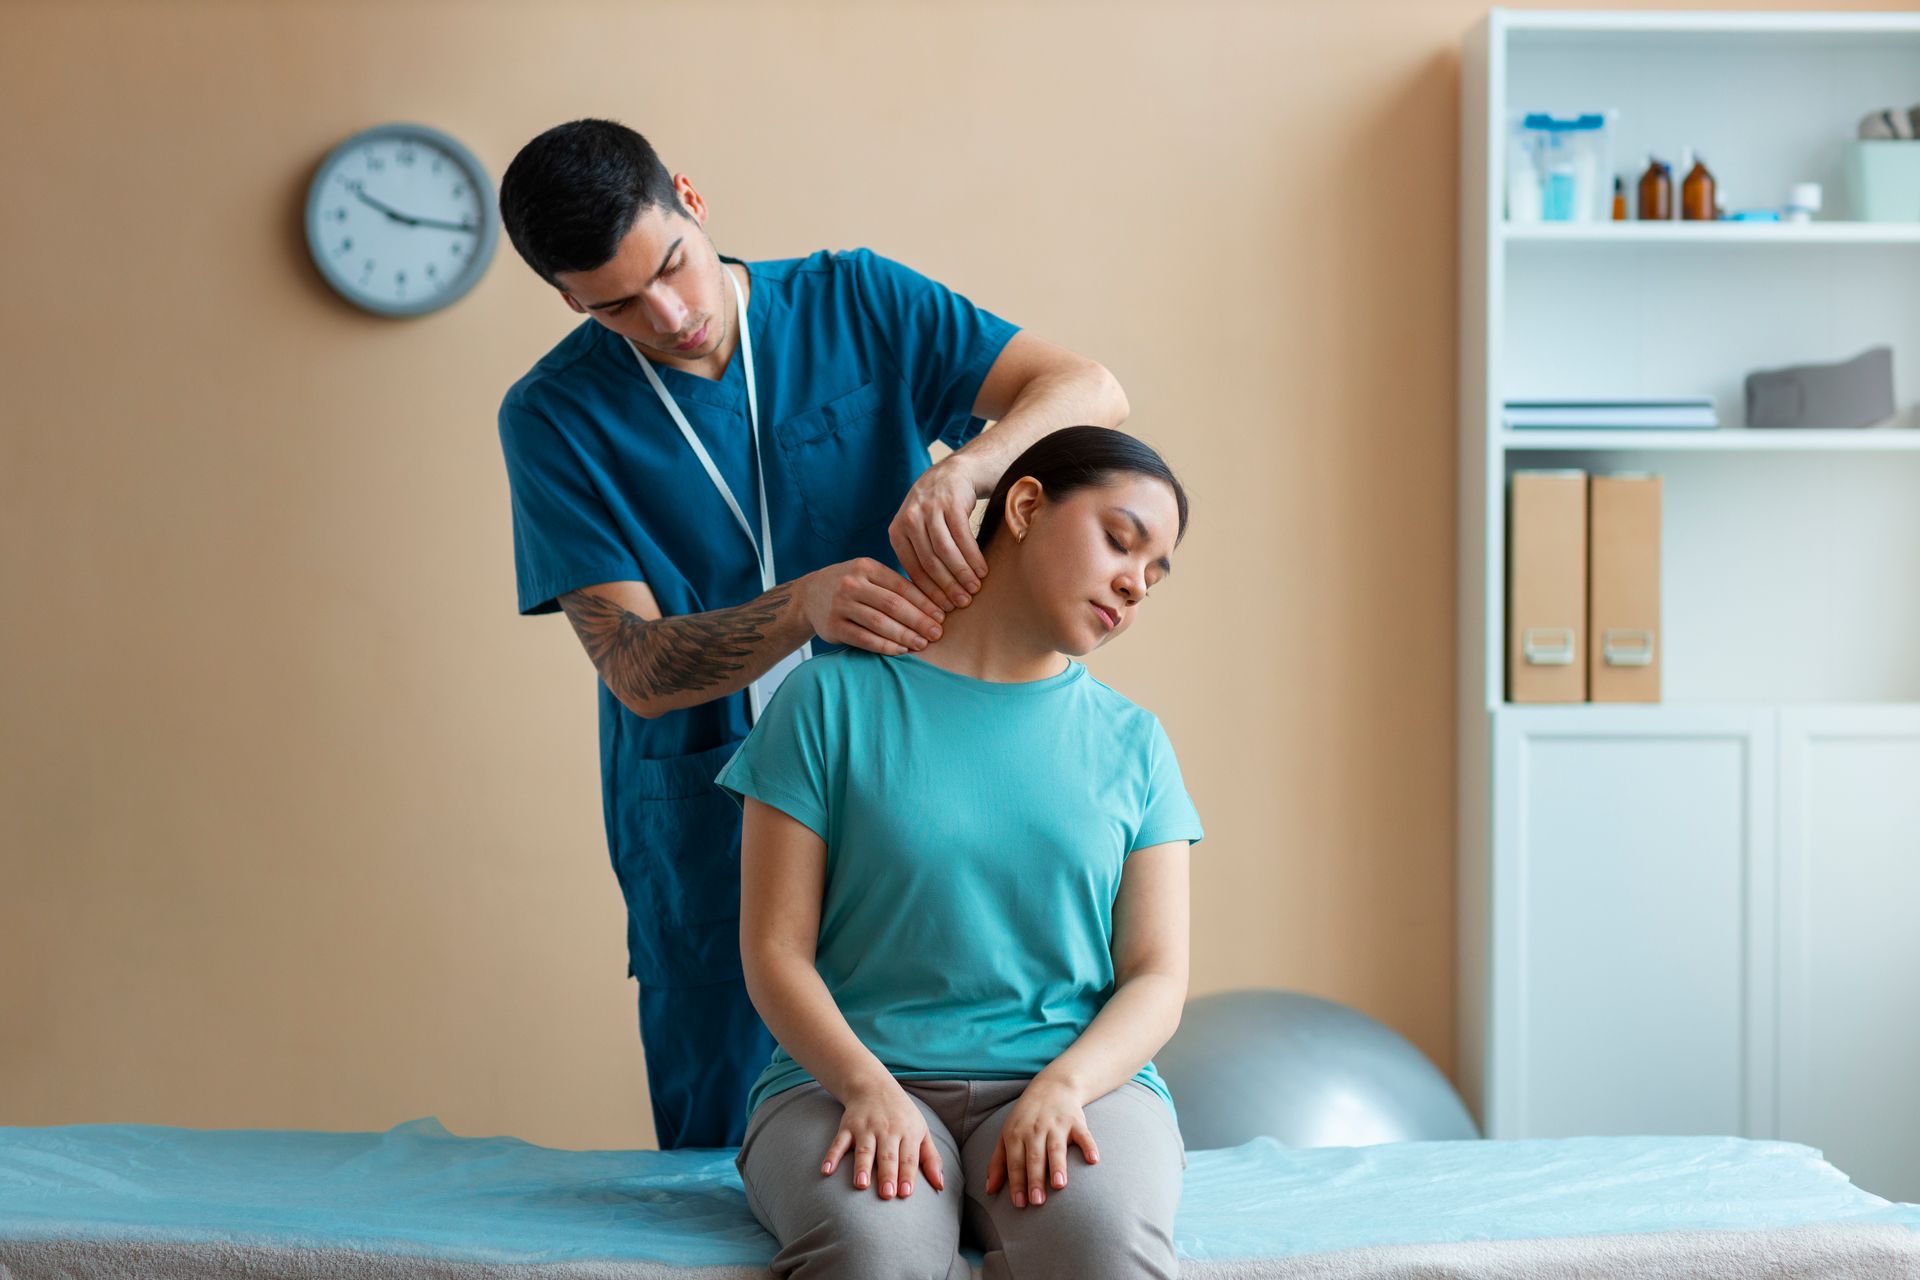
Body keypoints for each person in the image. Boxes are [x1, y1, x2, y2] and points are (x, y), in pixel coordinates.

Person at [493, 121, 1130, 1149]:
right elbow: (638, 667)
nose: (669, 315)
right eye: (616, 304)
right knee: (728, 1161)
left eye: (672, 266)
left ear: (691, 200)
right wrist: (802, 604)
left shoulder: (855, 302)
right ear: (569, 299)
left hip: (913, 790)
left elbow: (1087, 389)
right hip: (711, 821)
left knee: (947, 1125)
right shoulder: (552, 418)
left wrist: (970, 464)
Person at [717, 426, 1200, 1278]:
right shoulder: (827, 702)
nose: (1135, 582)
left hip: (1075, 1083)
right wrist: (868, 1088)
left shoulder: (1136, 743)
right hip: (844, 1082)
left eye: (1156, 576)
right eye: (1121, 541)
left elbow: (1158, 975)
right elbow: (773, 950)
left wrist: (1064, 1088)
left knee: (1103, 1249)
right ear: (1022, 507)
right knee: (873, 1251)